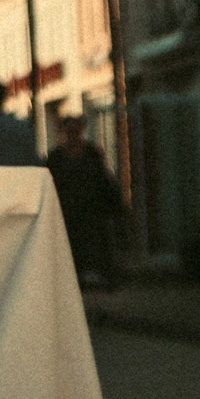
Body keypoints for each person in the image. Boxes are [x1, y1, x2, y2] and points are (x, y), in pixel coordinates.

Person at [46, 111, 124, 288]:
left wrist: (114, 209)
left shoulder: (91, 154)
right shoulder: (56, 158)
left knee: (94, 253)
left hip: (92, 214)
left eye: (76, 130)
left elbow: (104, 180)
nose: (73, 135)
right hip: (67, 215)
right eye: (69, 131)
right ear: (62, 132)